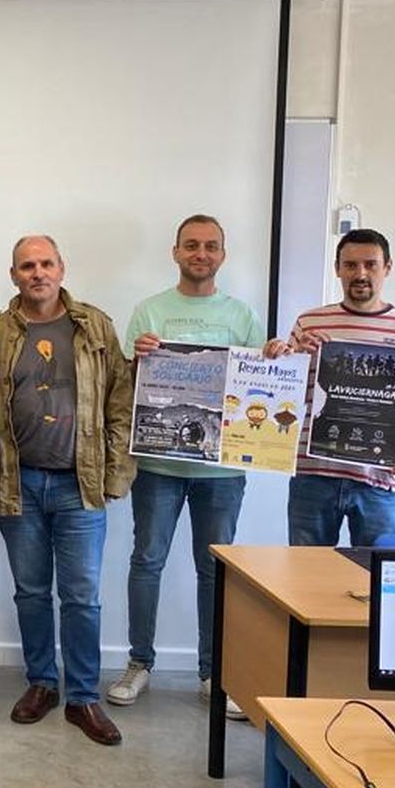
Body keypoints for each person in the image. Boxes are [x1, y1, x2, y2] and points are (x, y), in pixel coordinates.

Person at [108, 216, 264, 717]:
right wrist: (138, 358)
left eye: (211, 246)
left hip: (221, 472)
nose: (201, 253)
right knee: (146, 563)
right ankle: (139, 663)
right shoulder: (149, 311)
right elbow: (125, 385)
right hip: (158, 465)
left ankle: (214, 674)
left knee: (213, 572)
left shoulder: (242, 317)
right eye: (192, 245)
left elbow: (262, 387)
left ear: (223, 254)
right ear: (175, 251)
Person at [0, 235, 134, 747]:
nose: (37, 273)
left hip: (80, 482)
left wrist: (116, 470)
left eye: (46, 263)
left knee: (81, 597)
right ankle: (42, 684)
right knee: (30, 592)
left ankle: (83, 697)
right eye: (27, 266)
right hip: (19, 483)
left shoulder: (94, 326)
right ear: (14, 275)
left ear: (61, 268)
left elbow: (121, 397)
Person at [267, 228, 395, 546]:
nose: (360, 273)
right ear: (337, 269)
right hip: (314, 477)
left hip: (383, 482)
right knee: (304, 580)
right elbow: (287, 401)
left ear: (388, 268)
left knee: (376, 582)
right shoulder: (310, 323)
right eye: (351, 265)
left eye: (370, 264)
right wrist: (288, 359)